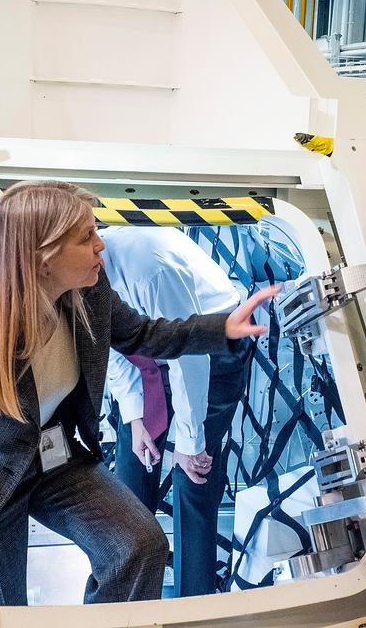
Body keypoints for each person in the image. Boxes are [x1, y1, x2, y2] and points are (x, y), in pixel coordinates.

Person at [0, 181, 279, 628]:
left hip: (54, 458)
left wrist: (221, 330)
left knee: (139, 547)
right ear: (43, 257)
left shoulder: (88, 293)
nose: (101, 244)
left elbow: (142, 334)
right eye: (86, 237)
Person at [101, 226, 250, 597]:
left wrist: (190, 440)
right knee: (131, 472)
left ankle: (193, 604)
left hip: (211, 343)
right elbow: (108, 347)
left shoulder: (149, 269)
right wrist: (135, 416)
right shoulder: (68, 282)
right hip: (149, 355)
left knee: (193, 476)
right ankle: (126, 601)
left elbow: (189, 358)